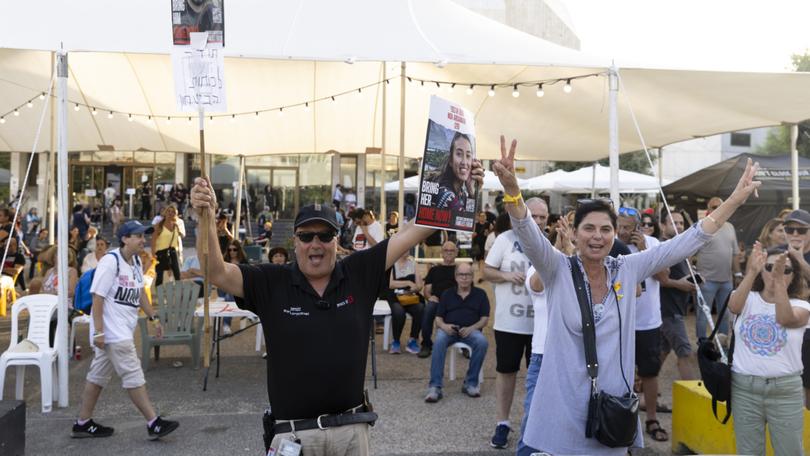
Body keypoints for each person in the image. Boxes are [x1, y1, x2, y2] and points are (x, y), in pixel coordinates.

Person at [189, 157, 483, 454]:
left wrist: (462, 187)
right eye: (306, 236)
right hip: (294, 437)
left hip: (352, 432)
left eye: (325, 235)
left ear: (335, 240)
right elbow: (215, 271)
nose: (315, 243)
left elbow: (412, 232)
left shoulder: (358, 271)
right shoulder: (271, 280)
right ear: (295, 242)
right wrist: (206, 216)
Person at [492, 135, 760, 455]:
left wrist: (734, 201)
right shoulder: (557, 269)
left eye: (605, 229)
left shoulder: (627, 268)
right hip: (564, 403)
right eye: (588, 228)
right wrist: (512, 190)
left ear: (614, 233)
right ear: (574, 234)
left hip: (612, 408)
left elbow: (688, 241)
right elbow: (526, 231)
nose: (598, 236)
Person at [72, 220, 179, 440]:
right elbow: (98, 296)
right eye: (138, 236)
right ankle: (153, 422)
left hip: (119, 330)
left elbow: (140, 293)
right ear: (124, 239)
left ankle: (82, 422)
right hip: (113, 333)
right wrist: (99, 331)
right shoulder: (111, 262)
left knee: (97, 376)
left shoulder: (136, 262)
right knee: (133, 373)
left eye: (144, 235)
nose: (143, 240)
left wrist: (154, 317)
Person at [728, 244, 809, 456]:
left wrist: (778, 282)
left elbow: (785, 318)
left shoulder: (802, 305)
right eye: (769, 266)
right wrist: (752, 270)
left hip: (784, 391)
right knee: (748, 452)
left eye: (786, 270)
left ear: (794, 275)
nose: (776, 272)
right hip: (744, 388)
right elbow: (734, 307)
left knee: (790, 452)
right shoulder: (746, 297)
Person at [483, 198, 547, 449]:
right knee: (506, 372)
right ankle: (503, 423)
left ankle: (535, 426)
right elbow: (486, 271)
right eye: (535, 215)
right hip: (509, 322)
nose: (539, 221)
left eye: (543, 217)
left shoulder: (548, 243)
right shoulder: (504, 239)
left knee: (539, 379)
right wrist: (507, 275)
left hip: (540, 328)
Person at [616, 206, 669, 442]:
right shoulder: (611, 242)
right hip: (618, 320)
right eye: (618, 226)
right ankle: (619, 418)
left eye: (626, 228)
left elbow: (663, 276)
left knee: (649, 371)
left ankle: (651, 417)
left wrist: (644, 250)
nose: (621, 232)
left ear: (637, 227)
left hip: (647, 320)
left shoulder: (653, 243)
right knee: (618, 371)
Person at [424, 262, 490, 402]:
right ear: (456, 277)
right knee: (439, 340)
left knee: (482, 342)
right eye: (461, 274)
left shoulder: (480, 294)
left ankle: (470, 383)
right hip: (450, 329)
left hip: (471, 330)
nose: (464, 278)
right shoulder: (447, 294)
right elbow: (438, 319)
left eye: (468, 275)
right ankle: (435, 386)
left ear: (472, 277)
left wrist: (472, 328)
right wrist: (445, 326)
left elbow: (485, 319)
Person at [657, 210, 697, 380]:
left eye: (681, 223)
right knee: (685, 352)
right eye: (674, 222)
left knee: (662, 352)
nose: (679, 226)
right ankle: (695, 398)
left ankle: (643, 388)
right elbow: (660, 278)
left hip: (676, 308)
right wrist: (681, 284)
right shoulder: (662, 247)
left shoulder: (679, 246)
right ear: (662, 225)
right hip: (668, 309)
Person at [695, 197, 741, 339]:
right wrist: (693, 274)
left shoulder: (730, 227)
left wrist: (738, 273)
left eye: (721, 206)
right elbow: (689, 253)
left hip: (726, 280)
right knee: (703, 315)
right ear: (708, 210)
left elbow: (734, 253)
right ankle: (702, 344)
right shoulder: (701, 226)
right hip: (706, 280)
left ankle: (723, 343)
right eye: (714, 207)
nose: (718, 209)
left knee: (725, 314)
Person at [781, 208, 810, 409]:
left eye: (801, 230)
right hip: (784, 325)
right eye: (790, 230)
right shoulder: (777, 254)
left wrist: (799, 260)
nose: (795, 234)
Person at [419, 241, 459, 358]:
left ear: (456, 253)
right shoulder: (434, 270)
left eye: (452, 251)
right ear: (441, 253)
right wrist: (430, 297)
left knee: (466, 311)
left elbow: (468, 290)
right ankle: (426, 344)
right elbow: (426, 290)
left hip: (455, 301)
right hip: (438, 301)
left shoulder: (460, 270)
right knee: (428, 308)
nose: (449, 253)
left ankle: (464, 344)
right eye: (446, 250)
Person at [386, 251, 424, 354]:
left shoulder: (413, 263)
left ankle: (413, 339)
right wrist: (408, 282)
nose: (406, 250)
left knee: (420, 308)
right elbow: (390, 284)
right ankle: (396, 341)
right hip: (395, 296)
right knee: (399, 312)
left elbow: (420, 285)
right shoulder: (391, 263)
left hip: (410, 296)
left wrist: (416, 287)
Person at [435, 132, 475, 211]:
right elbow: (465, 221)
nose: (464, 162)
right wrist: (472, 195)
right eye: (459, 154)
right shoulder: (446, 195)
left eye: (468, 155)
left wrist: (471, 191)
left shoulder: (462, 193)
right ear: (450, 160)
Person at [151, 205, 185, 287]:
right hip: (160, 253)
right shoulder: (159, 226)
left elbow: (177, 239)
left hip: (172, 252)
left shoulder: (176, 226)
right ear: (165, 213)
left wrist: (179, 251)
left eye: (173, 212)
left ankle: (179, 292)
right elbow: (153, 240)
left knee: (177, 274)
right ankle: (159, 294)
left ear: (175, 214)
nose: (170, 213)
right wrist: (153, 254)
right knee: (159, 276)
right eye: (168, 211)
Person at [472, 211, 490, 280]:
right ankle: (481, 274)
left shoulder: (488, 224)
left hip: (486, 245)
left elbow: (492, 234)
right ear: (478, 217)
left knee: (484, 260)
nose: (483, 217)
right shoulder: (476, 225)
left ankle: (482, 275)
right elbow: (472, 235)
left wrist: (488, 234)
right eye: (481, 216)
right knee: (480, 260)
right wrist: (473, 235)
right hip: (478, 245)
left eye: (484, 216)